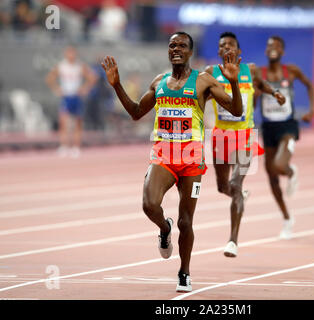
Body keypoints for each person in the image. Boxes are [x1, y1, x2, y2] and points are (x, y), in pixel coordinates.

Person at [101, 31, 243, 292]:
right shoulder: (160, 82)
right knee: (149, 204)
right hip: (164, 156)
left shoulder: (203, 82)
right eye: (172, 45)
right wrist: (116, 85)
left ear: (190, 52)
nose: (176, 49)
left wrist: (233, 82)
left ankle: (184, 272)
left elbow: (236, 110)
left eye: (181, 45)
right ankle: (164, 228)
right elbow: (135, 113)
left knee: (186, 222)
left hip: (191, 160)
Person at [204, 31, 285, 258]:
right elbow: (199, 94)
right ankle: (239, 194)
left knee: (235, 184)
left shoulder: (250, 70)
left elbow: (262, 83)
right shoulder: (211, 73)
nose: (226, 48)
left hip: (244, 136)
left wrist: (275, 92)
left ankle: (232, 240)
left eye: (230, 45)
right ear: (219, 51)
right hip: (221, 136)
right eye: (222, 45)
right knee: (222, 187)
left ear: (239, 51)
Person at [258, 35, 314, 240]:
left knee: (280, 166)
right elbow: (254, 97)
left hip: (288, 126)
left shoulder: (291, 71)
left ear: (282, 51)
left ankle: (290, 171)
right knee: (271, 176)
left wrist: (311, 110)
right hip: (268, 127)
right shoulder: (260, 74)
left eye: (277, 46)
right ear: (266, 51)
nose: (273, 48)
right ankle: (287, 218)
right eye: (270, 45)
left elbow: (309, 85)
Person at [46, 46, 97, 158]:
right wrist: (56, 89)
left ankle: (76, 147)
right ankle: (64, 146)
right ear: (66, 54)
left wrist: (85, 88)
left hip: (76, 96)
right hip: (66, 96)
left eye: (73, 53)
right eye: (69, 53)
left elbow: (93, 78)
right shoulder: (61, 66)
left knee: (77, 123)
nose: (71, 56)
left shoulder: (79, 66)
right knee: (63, 122)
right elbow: (50, 78)